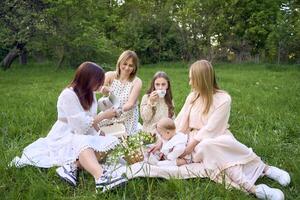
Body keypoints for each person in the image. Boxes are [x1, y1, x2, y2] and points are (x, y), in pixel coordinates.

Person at [175, 60, 290, 200]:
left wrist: (189, 147)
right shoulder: (192, 97)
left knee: (213, 147)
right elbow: (180, 120)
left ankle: (266, 171)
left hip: (218, 135)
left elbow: (211, 129)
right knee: (209, 149)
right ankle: (256, 185)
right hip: (196, 141)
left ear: (202, 79)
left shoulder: (223, 99)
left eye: (192, 79)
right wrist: (171, 140)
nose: (190, 83)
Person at [11, 62, 126, 191]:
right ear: (87, 79)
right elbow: (80, 127)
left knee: (111, 142)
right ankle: (101, 177)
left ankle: (73, 166)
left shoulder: (90, 93)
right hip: (67, 133)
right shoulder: (68, 95)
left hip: (84, 132)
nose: (100, 85)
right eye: (98, 82)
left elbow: (90, 119)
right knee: (82, 141)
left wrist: (101, 132)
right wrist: (104, 115)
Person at [99, 50, 142, 135]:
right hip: (110, 112)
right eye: (125, 64)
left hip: (127, 115)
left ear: (134, 68)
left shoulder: (137, 82)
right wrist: (103, 89)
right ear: (119, 63)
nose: (127, 68)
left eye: (130, 65)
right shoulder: (110, 75)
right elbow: (96, 88)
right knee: (97, 130)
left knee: (123, 137)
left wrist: (119, 110)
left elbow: (130, 103)